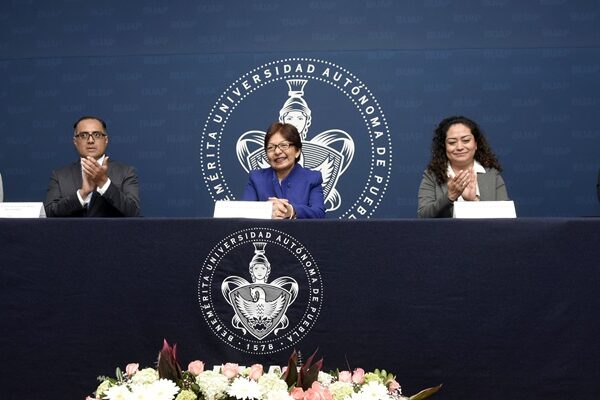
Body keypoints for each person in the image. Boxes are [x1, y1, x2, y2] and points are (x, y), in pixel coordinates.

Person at [44, 116, 140, 217]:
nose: (90, 140)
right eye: (84, 135)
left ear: (106, 140)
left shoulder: (126, 172)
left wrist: (104, 182)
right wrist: (82, 194)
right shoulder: (60, 175)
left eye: (97, 135)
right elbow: (49, 213)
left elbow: (133, 212)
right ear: (75, 142)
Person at [418, 115, 509, 218]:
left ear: (476, 144)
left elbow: (505, 216)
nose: (460, 147)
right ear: (444, 147)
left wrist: (473, 201)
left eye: (466, 141)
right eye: (452, 142)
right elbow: (423, 215)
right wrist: (449, 197)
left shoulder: (492, 175)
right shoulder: (432, 175)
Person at [242, 122, 325, 219]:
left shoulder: (312, 178)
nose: (277, 152)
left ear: (297, 151)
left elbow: (319, 213)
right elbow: (244, 212)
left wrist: (291, 211)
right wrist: (266, 211)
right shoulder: (256, 178)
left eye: (284, 145)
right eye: (271, 147)